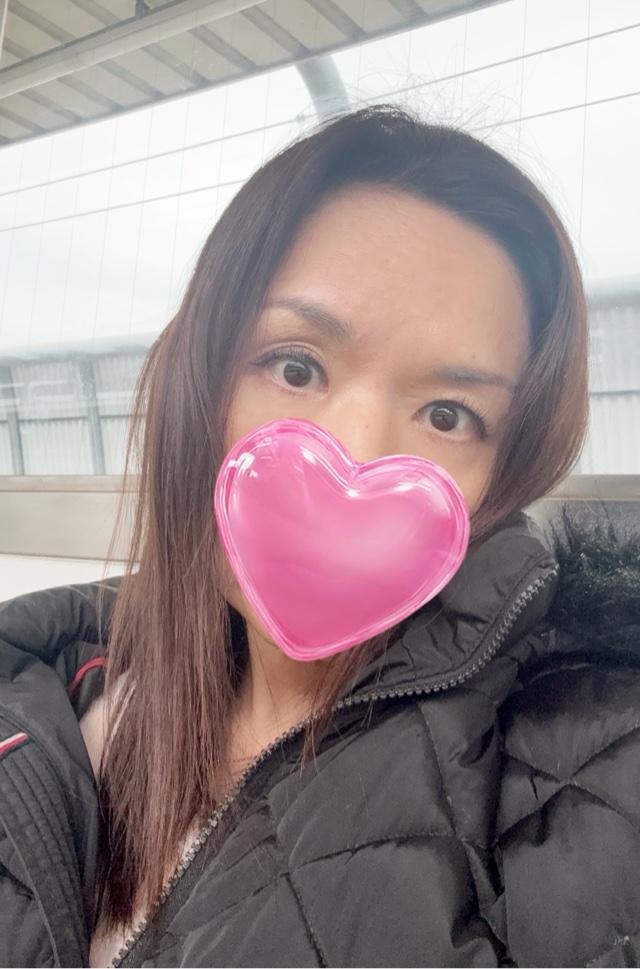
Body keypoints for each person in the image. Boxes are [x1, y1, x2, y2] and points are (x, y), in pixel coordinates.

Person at [0, 104, 638, 969]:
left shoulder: (585, 766)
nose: (356, 455)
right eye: (295, 366)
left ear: (507, 473)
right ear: (200, 379)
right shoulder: (55, 691)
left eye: (448, 415)